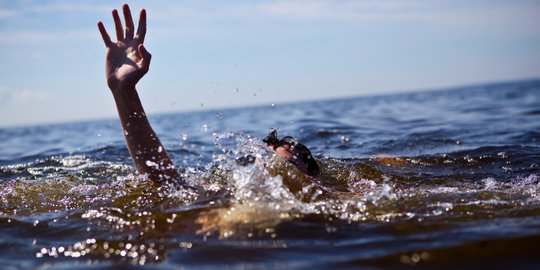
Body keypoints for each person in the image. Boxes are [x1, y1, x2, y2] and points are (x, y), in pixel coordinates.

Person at [97, 4, 319, 186]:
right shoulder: (221, 194)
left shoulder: (322, 199)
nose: (269, 164)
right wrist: (123, 92)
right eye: (264, 160)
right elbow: (165, 182)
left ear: (312, 179)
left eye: (286, 163)